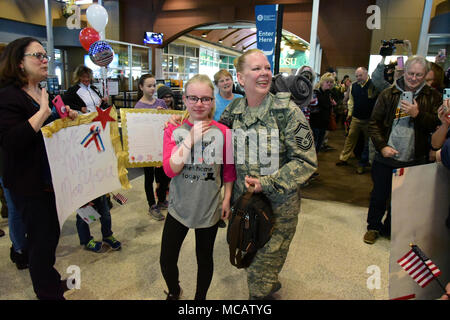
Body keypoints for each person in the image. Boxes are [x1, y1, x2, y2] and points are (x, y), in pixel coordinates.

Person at [169, 49, 317, 299]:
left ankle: (264, 287)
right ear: (240, 77)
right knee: (247, 257)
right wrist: (179, 120)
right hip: (243, 207)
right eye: (256, 69)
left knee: (257, 280)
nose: (264, 73)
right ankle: (268, 281)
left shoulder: (287, 112)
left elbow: (306, 162)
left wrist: (267, 183)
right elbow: (213, 134)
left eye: (267, 68)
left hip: (278, 211)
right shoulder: (234, 111)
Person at [0, 37, 78, 299]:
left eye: (46, 55)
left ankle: (51, 279)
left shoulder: (42, 91)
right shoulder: (7, 96)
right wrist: (44, 112)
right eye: (38, 56)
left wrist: (64, 114)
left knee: (49, 236)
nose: (46, 60)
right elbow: (12, 141)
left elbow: (50, 127)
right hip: (28, 183)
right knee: (40, 242)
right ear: (19, 63)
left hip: (50, 178)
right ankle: (47, 292)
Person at [161, 74, 236, 300]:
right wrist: (190, 138)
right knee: (166, 259)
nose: (199, 104)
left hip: (209, 206)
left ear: (212, 101)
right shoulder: (172, 129)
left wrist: (227, 198)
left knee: (204, 258)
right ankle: (174, 291)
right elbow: (169, 170)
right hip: (179, 206)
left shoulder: (224, 133)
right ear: (184, 99)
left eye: (205, 98)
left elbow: (229, 171)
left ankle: (199, 300)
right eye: (193, 98)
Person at [364, 55, 442, 245]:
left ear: (425, 76)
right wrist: (382, 147)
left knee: (403, 198)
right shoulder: (388, 94)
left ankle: (392, 228)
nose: (413, 78)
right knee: (379, 195)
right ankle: (373, 227)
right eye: (411, 73)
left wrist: (417, 115)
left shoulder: (433, 97)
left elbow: (437, 126)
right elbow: (374, 123)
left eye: (419, 75)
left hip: (414, 157)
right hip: (386, 156)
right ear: (404, 71)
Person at [135, 74, 169, 220]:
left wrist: (164, 114)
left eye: (154, 85)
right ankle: (151, 205)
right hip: (147, 147)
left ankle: (161, 200)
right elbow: (137, 128)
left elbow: (170, 123)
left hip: (161, 146)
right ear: (141, 87)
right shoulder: (138, 106)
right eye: (149, 86)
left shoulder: (161, 102)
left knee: (163, 176)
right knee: (149, 178)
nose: (152, 88)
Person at [336, 67, 380, 174]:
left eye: (360, 75)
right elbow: (351, 101)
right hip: (356, 118)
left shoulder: (374, 85)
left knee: (367, 143)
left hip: (369, 120)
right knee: (350, 137)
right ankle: (344, 158)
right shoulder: (353, 86)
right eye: (356, 76)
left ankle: (364, 163)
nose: (358, 78)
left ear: (366, 74)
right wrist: (350, 113)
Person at [0, 147, 28, 269]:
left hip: (22, 164)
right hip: (7, 167)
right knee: (15, 209)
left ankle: (21, 246)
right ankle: (19, 250)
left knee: (21, 208)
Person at [309, 72, 335, 153]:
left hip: (324, 123)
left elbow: (328, 107)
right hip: (315, 123)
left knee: (319, 144)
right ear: (322, 82)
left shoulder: (328, 93)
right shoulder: (316, 92)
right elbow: (324, 104)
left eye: (331, 82)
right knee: (314, 144)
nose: (329, 84)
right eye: (327, 82)